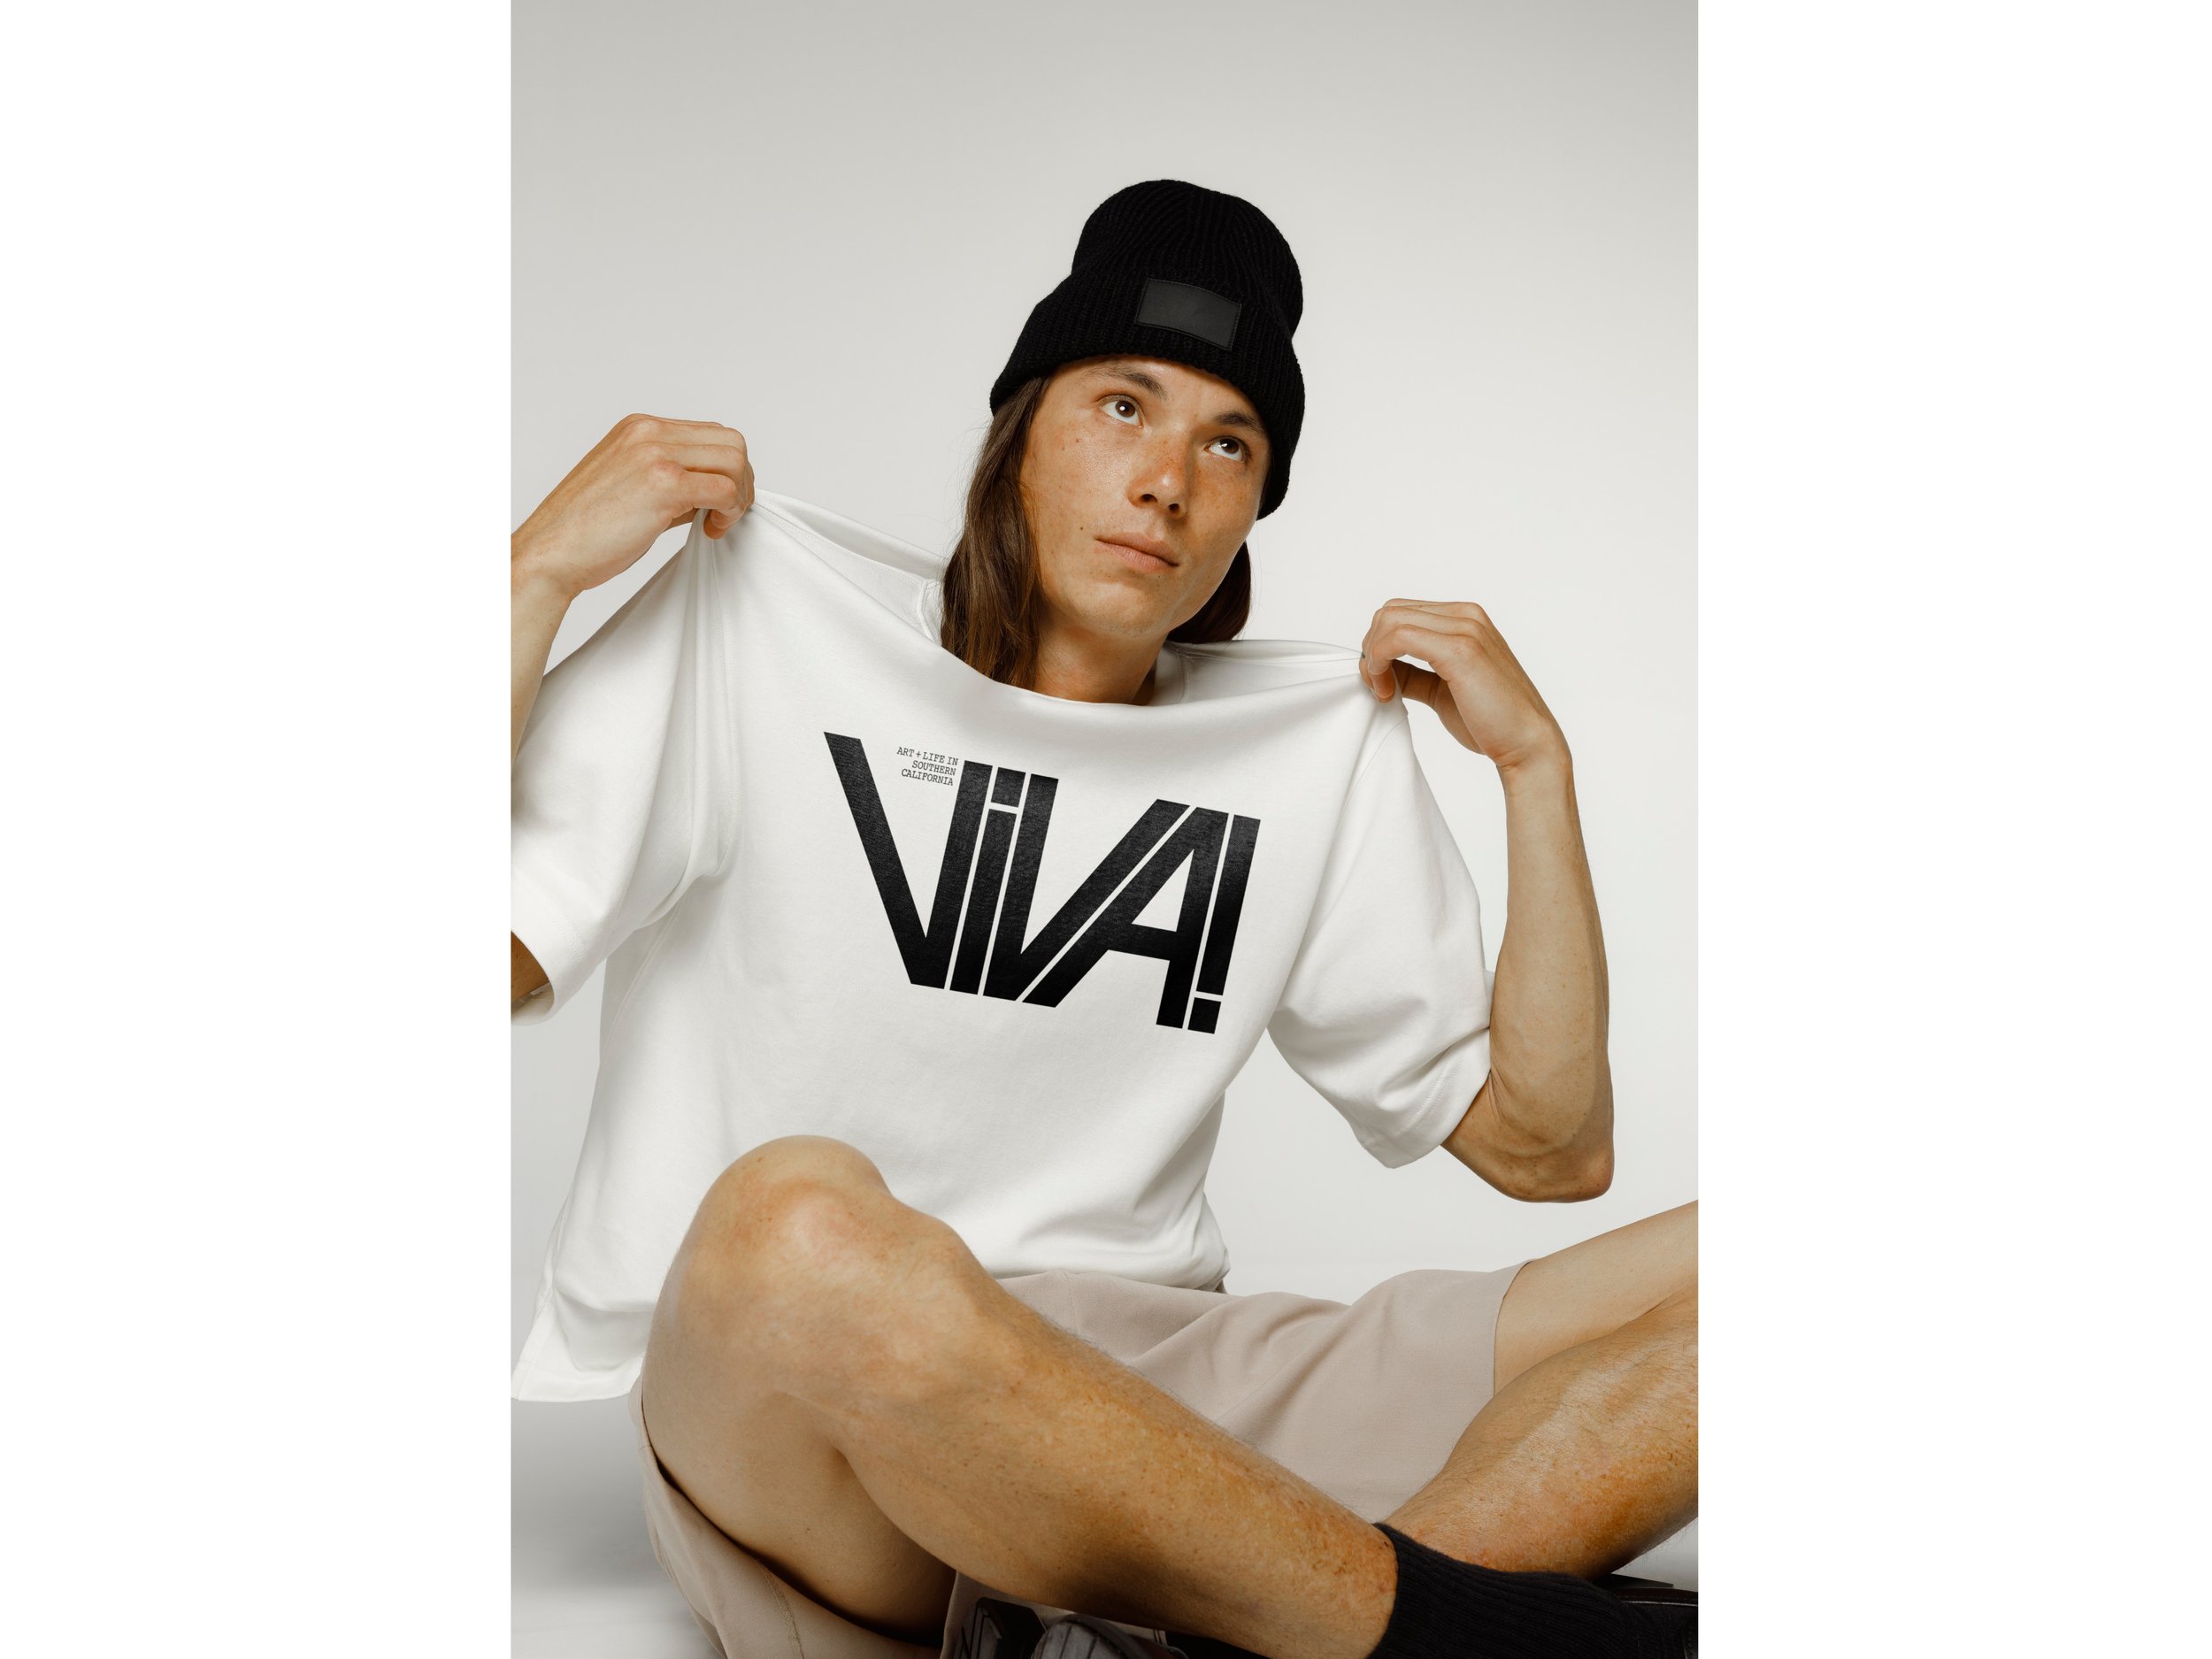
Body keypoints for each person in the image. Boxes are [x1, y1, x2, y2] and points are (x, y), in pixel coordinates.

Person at [511, 180, 1694, 1659]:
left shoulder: (1304, 751)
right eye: (1124, 407)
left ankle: (1282, 1623)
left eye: (1229, 442)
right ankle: (1470, 1627)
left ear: (1253, 506)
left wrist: (1536, 770)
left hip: (1165, 1394)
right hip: (816, 1385)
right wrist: (531, 572)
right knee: (789, 1219)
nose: (1167, 481)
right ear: (1021, 429)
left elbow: (1549, 1149)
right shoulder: (761, 629)